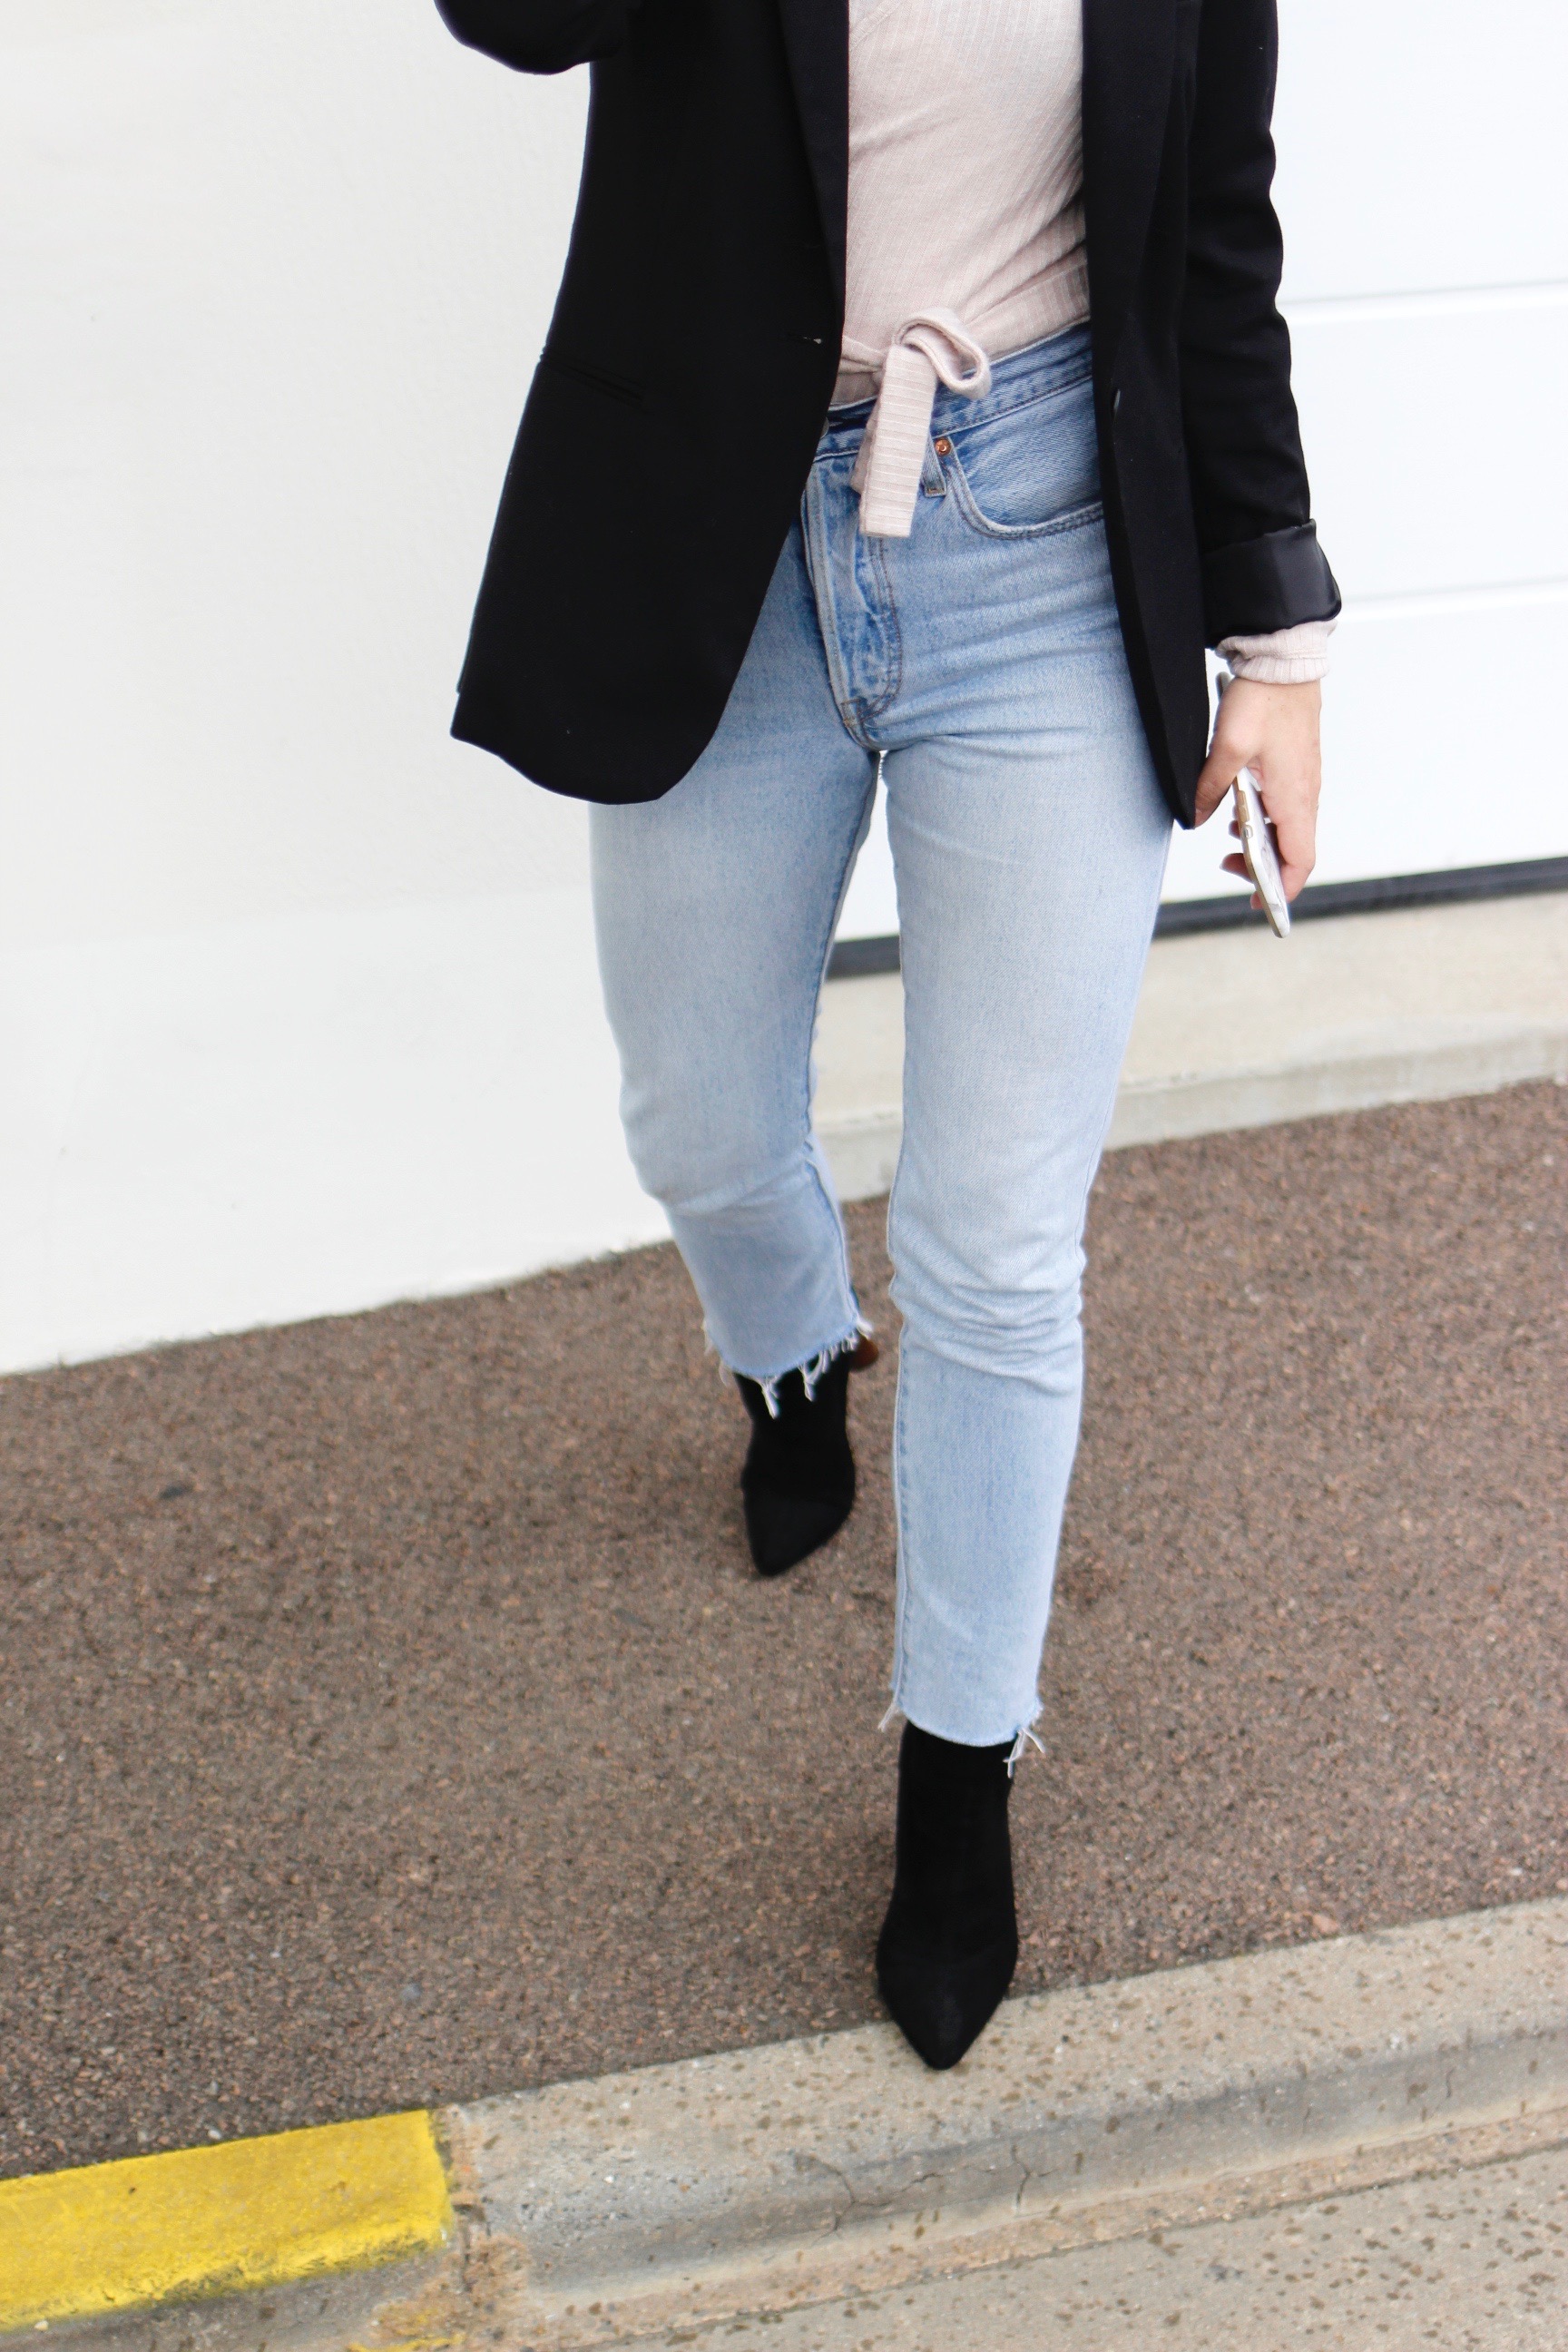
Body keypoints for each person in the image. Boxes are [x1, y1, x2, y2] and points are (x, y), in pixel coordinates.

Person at [433, 0, 1338, 2070]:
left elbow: (1216, 235)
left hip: (1045, 548)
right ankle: (790, 1358)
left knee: (1001, 1242)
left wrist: (1277, 642)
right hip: (725, 538)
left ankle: (959, 1783)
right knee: (693, 1111)